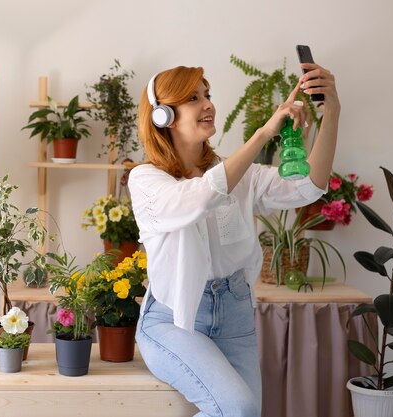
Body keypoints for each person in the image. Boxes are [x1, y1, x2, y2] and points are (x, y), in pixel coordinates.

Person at [129, 63, 339, 417]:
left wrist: (331, 109)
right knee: (238, 409)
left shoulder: (242, 175)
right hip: (175, 320)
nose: (207, 104)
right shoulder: (146, 180)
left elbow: (310, 186)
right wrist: (261, 135)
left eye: (207, 95)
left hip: (235, 314)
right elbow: (197, 199)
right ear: (163, 116)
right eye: (192, 98)